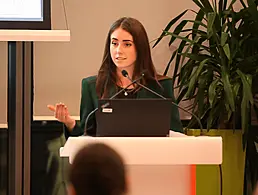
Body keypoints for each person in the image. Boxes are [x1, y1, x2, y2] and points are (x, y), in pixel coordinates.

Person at [48, 17, 183, 137]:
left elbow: (176, 134)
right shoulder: (91, 86)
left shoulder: (160, 86)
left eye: (127, 44)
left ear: (140, 48)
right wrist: (70, 123)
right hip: (107, 162)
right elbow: (86, 137)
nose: (118, 50)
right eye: (114, 43)